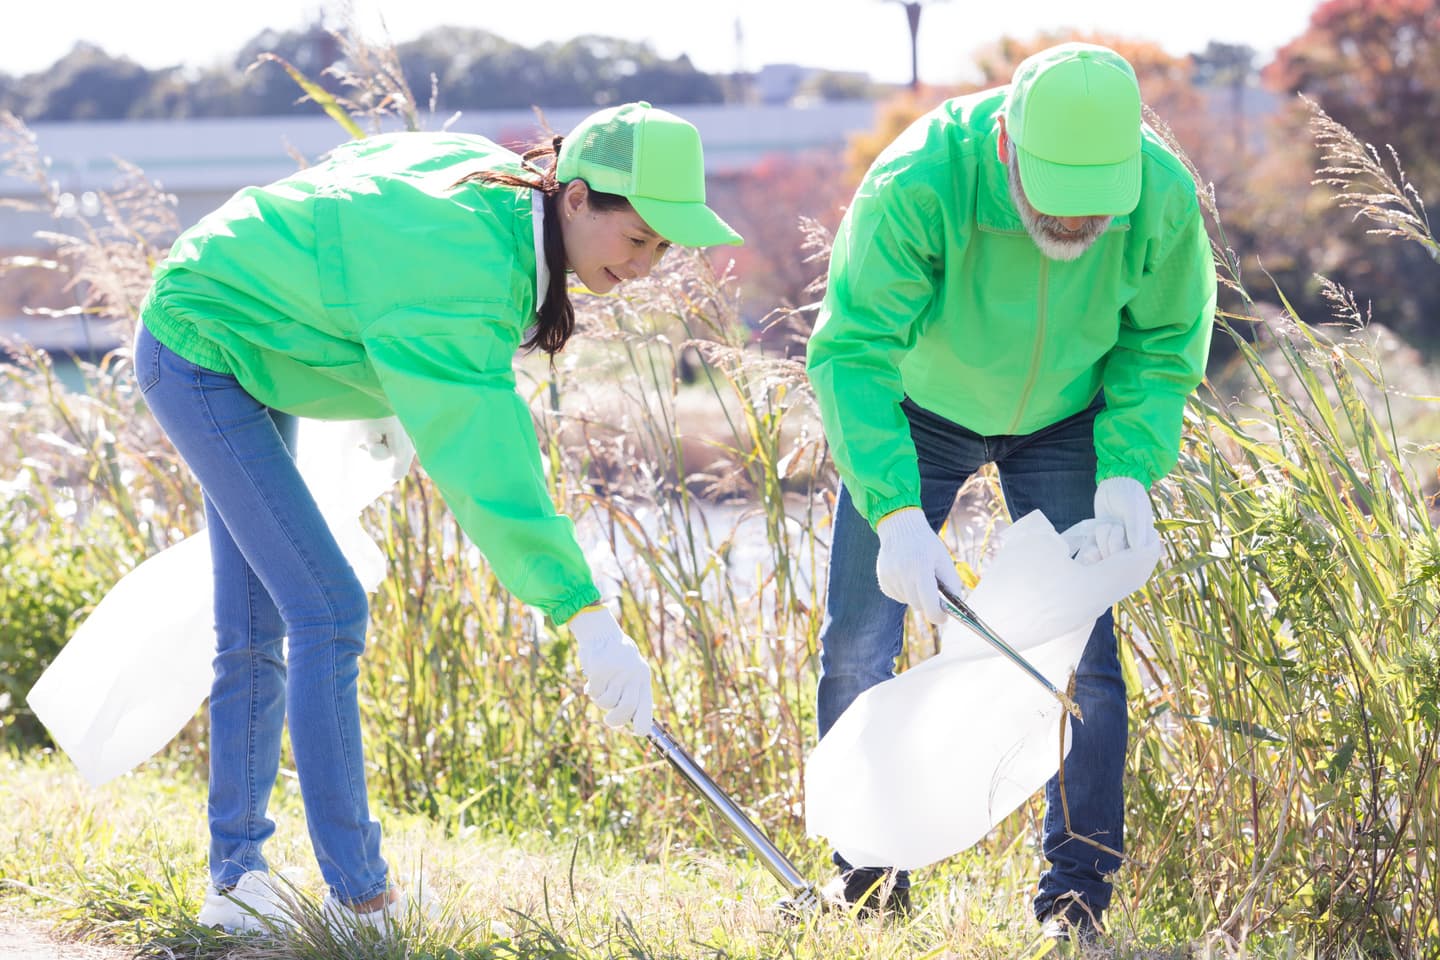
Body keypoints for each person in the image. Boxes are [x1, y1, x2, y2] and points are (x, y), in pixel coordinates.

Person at [132, 101, 743, 934]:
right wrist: (586, 613)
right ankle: (360, 901)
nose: (644, 267)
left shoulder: (492, 191)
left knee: (262, 619)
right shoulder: (466, 263)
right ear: (573, 197)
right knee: (326, 609)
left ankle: (235, 884)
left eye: (662, 248)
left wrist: (357, 339)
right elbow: (489, 468)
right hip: (202, 344)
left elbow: (357, 184)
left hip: (254, 342)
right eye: (637, 239)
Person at [804, 43, 1215, 937]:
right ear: (1004, 147)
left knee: (1086, 666)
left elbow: (1163, 340)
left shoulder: (1163, 196)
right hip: (917, 410)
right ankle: (867, 883)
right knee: (858, 644)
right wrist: (897, 509)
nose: (1075, 229)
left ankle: (1074, 902)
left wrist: (1128, 475)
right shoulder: (917, 181)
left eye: (1094, 211)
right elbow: (853, 350)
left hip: (1071, 419)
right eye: (1055, 204)